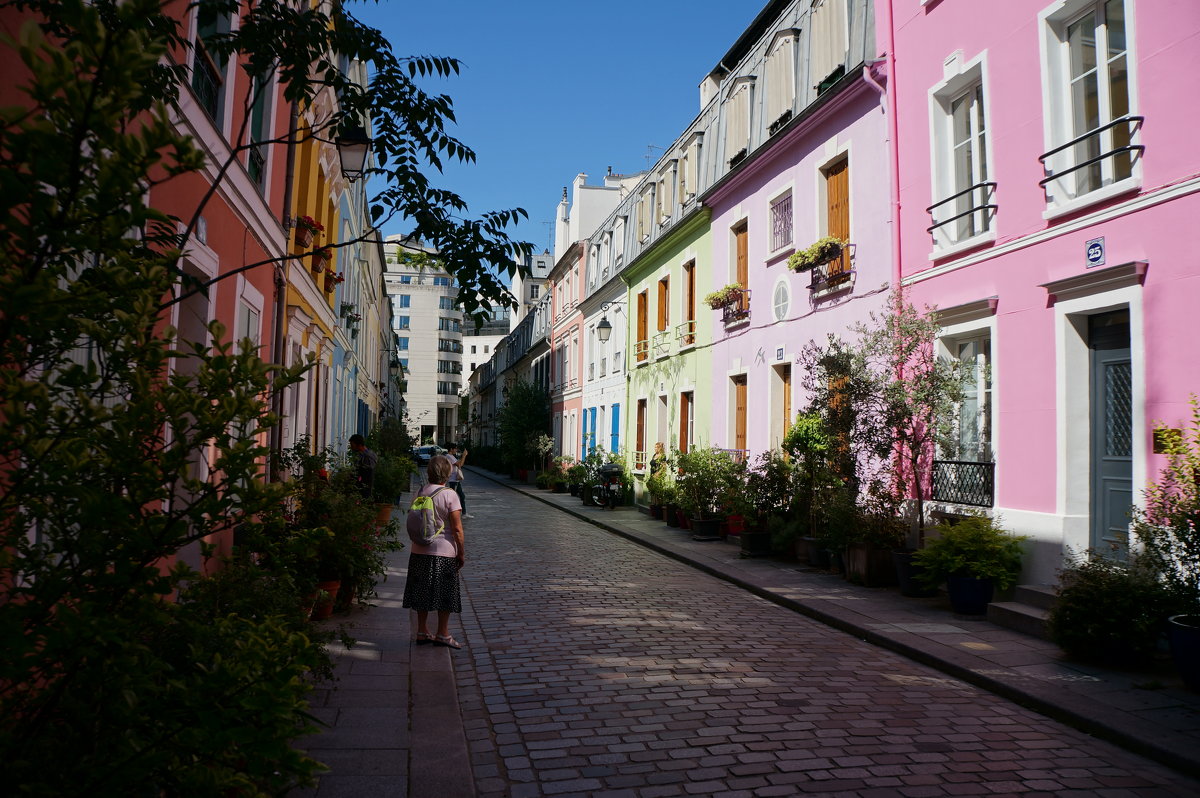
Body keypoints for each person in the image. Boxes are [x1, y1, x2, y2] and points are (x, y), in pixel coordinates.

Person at [402, 455, 465, 649]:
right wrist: (461, 553)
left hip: (419, 549)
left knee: (421, 592)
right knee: (445, 594)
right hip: (444, 552)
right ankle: (443, 634)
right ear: (447, 473)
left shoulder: (420, 491)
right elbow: (457, 529)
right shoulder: (450, 495)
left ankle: (422, 631)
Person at [445, 442, 473, 519]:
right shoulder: (449, 456)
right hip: (453, 480)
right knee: (454, 497)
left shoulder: (450, 456)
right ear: (451, 449)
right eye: (455, 448)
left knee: (461, 496)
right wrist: (464, 455)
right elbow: (460, 464)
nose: (456, 450)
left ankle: (463, 513)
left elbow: (460, 464)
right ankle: (452, 513)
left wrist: (463, 456)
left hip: (455, 480)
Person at [348, 434, 377, 500]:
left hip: (363, 488)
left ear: (359, 445)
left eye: (352, 445)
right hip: (362, 487)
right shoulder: (367, 454)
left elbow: (365, 473)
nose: (351, 447)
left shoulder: (367, 457)